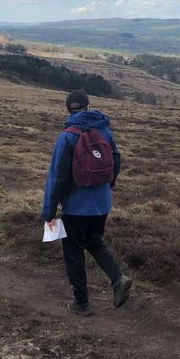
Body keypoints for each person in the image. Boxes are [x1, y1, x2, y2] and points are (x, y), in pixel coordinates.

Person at [41, 89, 133, 316]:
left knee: (73, 250)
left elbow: (58, 176)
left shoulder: (67, 136)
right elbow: (116, 159)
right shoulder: (104, 131)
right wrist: (108, 185)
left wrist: (49, 211)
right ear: (88, 106)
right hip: (101, 204)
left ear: (68, 109)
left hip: (75, 206)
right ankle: (117, 277)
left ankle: (81, 302)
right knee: (94, 241)